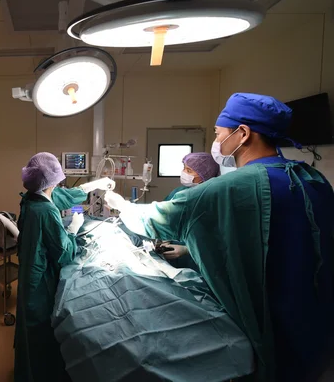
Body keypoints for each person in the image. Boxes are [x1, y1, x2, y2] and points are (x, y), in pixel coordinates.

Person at [104, 93, 334, 381]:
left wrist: (121, 204)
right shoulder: (311, 178)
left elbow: (154, 219)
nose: (216, 140)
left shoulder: (232, 187)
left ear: (243, 133)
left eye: (218, 133)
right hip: (317, 326)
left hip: (267, 328)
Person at [14, 152, 113, 382]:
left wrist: (96, 184)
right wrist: (73, 229)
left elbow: (65, 196)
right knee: (38, 330)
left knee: (28, 333)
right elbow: (65, 253)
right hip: (37, 283)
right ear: (53, 180)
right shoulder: (46, 211)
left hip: (28, 271)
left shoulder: (33, 197)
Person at [159, 152, 220, 269]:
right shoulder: (179, 192)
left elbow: (217, 237)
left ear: (204, 174)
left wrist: (187, 250)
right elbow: (164, 217)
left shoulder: (212, 199)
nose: (184, 173)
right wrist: (165, 239)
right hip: (171, 256)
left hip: (197, 261)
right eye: (184, 168)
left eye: (189, 170)